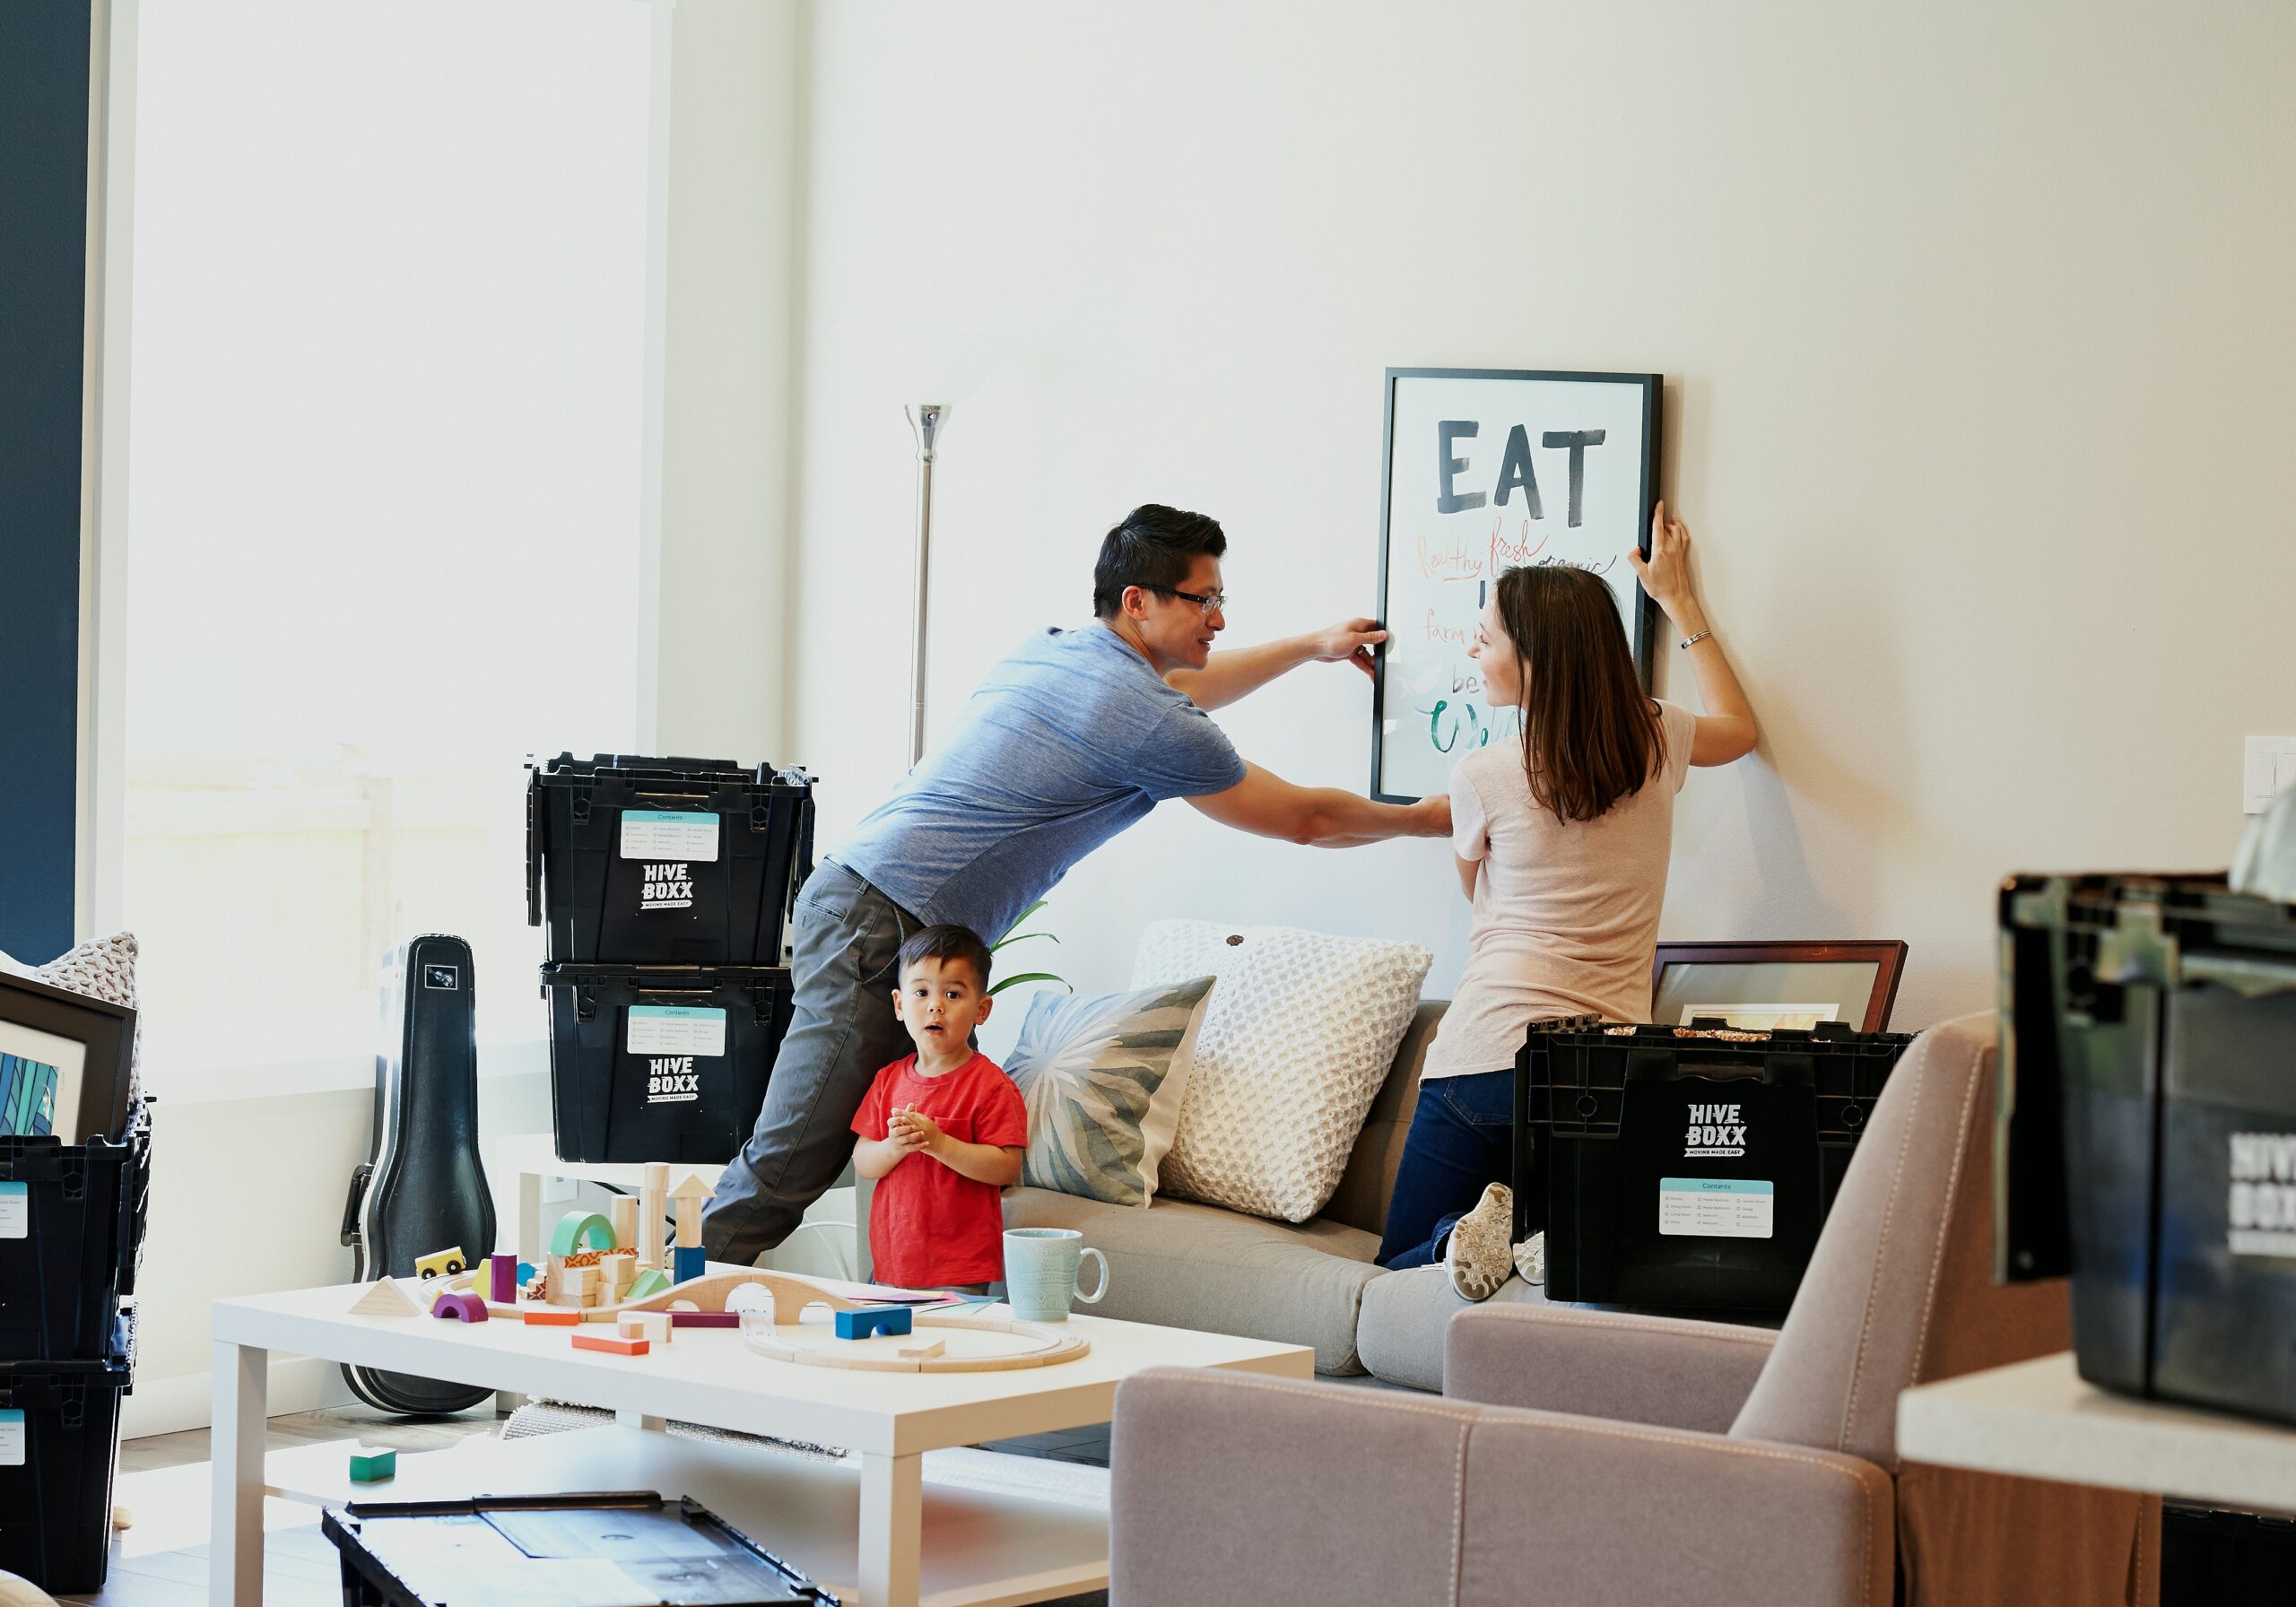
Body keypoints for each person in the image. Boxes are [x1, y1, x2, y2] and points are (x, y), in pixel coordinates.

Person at [704, 503, 1451, 1264]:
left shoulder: (1059, 649)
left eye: (1222, 601)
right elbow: (1306, 819)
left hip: (860, 898)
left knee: (802, 1148)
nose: (1218, 620)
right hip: (883, 921)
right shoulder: (1146, 717)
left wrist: (1307, 647)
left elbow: (1186, 687)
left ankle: (677, 1297)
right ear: (1139, 602)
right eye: (1204, 600)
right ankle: (660, 1313)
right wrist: (1427, 818)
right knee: (794, 1156)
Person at [1375, 503, 1761, 1299]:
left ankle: (1471, 1237)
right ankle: (1533, 1239)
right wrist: (1680, 602)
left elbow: (1473, 887)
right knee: (1574, 1255)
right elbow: (1741, 729)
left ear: (1536, 657)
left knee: (1398, 1264)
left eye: (1487, 636)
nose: (1474, 647)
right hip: (1603, 1069)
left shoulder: (1483, 774)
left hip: (1483, 1059)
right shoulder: (1657, 739)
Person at [848, 925, 1027, 1292]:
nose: (935, 1005)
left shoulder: (991, 1085)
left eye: (952, 993)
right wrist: (894, 1147)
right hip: (894, 1260)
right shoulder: (888, 1080)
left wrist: (939, 1143)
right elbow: (864, 1161)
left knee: (956, 1347)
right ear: (900, 1005)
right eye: (921, 992)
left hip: (960, 1268)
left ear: (982, 1009)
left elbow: (1006, 1166)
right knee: (891, 1347)